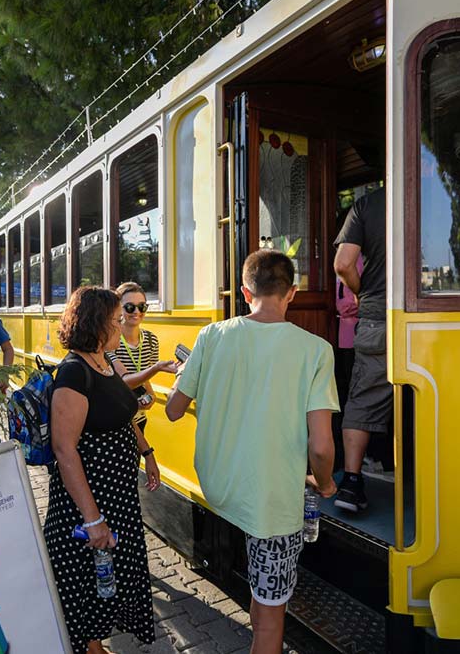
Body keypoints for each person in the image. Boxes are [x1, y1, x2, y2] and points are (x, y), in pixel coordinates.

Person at [165, 250, 338, 654]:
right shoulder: (316, 350)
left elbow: (174, 410)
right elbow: (321, 445)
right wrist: (324, 482)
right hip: (272, 500)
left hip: (220, 484)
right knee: (271, 612)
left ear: (245, 292)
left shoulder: (211, 335)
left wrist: (186, 379)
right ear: (292, 293)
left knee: (261, 593)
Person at [42, 287, 159, 654]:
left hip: (118, 496)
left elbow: (124, 416)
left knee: (107, 574)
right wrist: (92, 519)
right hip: (89, 501)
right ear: (95, 324)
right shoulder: (74, 373)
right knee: (83, 576)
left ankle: (96, 641)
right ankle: (89, 646)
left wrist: (147, 452)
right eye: (113, 320)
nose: (119, 325)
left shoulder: (105, 363)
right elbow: (65, 449)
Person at [332, 188, 391, 513]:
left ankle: (351, 483)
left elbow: (343, 264)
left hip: (378, 316)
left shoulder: (368, 204)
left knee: (363, 398)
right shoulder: (455, 194)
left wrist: (364, 292)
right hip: (439, 317)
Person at [106, 282, 176, 431]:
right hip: (116, 416)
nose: (137, 312)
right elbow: (124, 381)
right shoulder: (110, 340)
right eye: (130, 307)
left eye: (142, 306)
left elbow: (144, 378)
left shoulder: (151, 340)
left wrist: (150, 395)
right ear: (118, 308)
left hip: (139, 417)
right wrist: (157, 368)